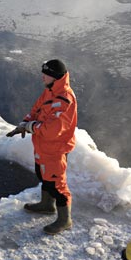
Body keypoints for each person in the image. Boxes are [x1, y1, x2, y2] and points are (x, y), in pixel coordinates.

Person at [6, 59, 77, 235]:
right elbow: (37, 109)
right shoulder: (50, 92)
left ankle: (64, 219)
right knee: (43, 174)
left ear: (54, 76)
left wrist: (31, 127)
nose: (42, 77)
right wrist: (25, 122)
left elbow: (52, 130)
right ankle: (47, 205)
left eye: (45, 74)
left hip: (55, 149)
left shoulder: (64, 100)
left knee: (57, 184)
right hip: (42, 147)